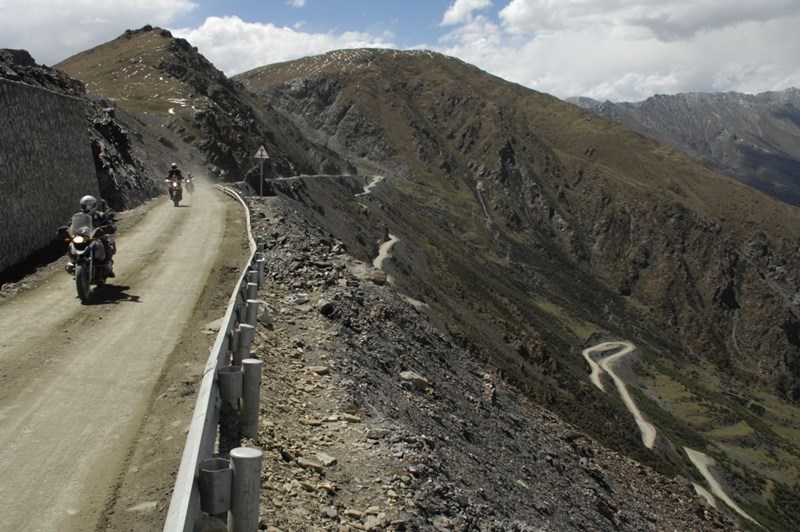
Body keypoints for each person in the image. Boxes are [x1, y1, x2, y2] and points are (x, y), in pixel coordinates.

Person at [61, 195, 117, 277]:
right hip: (83, 237)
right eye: (84, 206)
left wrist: (109, 226)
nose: (86, 208)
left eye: (88, 205)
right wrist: (65, 229)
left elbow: (109, 222)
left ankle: (107, 263)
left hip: (96, 236)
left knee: (104, 242)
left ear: (94, 205)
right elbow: (70, 224)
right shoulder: (78, 216)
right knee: (71, 243)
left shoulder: (100, 215)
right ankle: (74, 261)